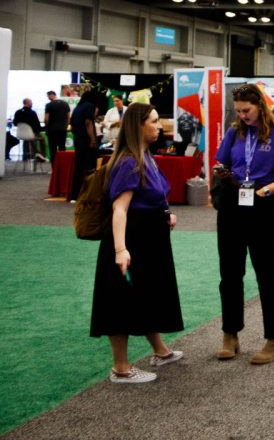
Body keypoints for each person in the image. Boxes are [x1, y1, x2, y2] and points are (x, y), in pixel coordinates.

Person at [90, 103, 184, 384]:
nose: (159, 126)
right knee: (121, 299)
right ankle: (121, 368)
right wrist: (121, 250)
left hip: (149, 240)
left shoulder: (145, 156)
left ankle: (160, 351)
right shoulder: (129, 162)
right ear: (139, 126)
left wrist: (166, 214)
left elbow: (152, 197)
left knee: (145, 295)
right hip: (131, 242)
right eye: (154, 121)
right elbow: (120, 209)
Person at [212, 85, 274, 364]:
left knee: (267, 275)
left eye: (247, 110)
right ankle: (230, 334)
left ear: (260, 107)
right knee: (229, 274)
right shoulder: (234, 131)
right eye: (238, 110)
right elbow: (220, 161)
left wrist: (269, 190)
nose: (243, 115)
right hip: (232, 205)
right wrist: (221, 172)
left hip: (262, 204)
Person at [69, 91, 99, 202]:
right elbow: (88, 122)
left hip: (78, 140)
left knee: (78, 168)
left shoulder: (78, 107)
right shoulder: (90, 106)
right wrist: (92, 139)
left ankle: (74, 196)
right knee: (90, 168)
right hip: (87, 140)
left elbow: (72, 126)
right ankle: (89, 195)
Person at [44, 90, 70, 164]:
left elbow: (46, 119)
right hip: (63, 129)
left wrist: (46, 128)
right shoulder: (65, 104)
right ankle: (63, 165)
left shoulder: (49, 105)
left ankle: (54, 167)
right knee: (62, 147)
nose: (48, 98)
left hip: (52, 130)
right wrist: (66, 126)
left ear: (51, 95)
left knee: (53, 149)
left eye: (48, 96)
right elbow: (68, 117)